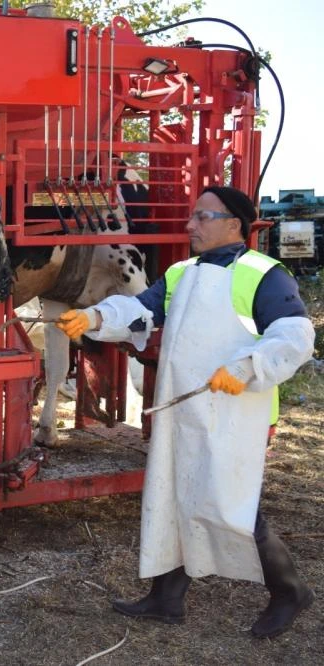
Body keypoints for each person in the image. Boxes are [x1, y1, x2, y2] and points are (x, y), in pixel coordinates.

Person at [56, 186, 315, 638]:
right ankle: (166, 597)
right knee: (173, 492)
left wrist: (247, 366)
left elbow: (294, 335)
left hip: (236, 411)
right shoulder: (182, 273)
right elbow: (140, 310)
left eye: (202, 217)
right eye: (192, 216)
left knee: (231, 505)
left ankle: (290, 591)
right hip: (184, 407)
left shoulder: (264, 274)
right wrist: (94, 318)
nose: (190, 225)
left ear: (233, 224)